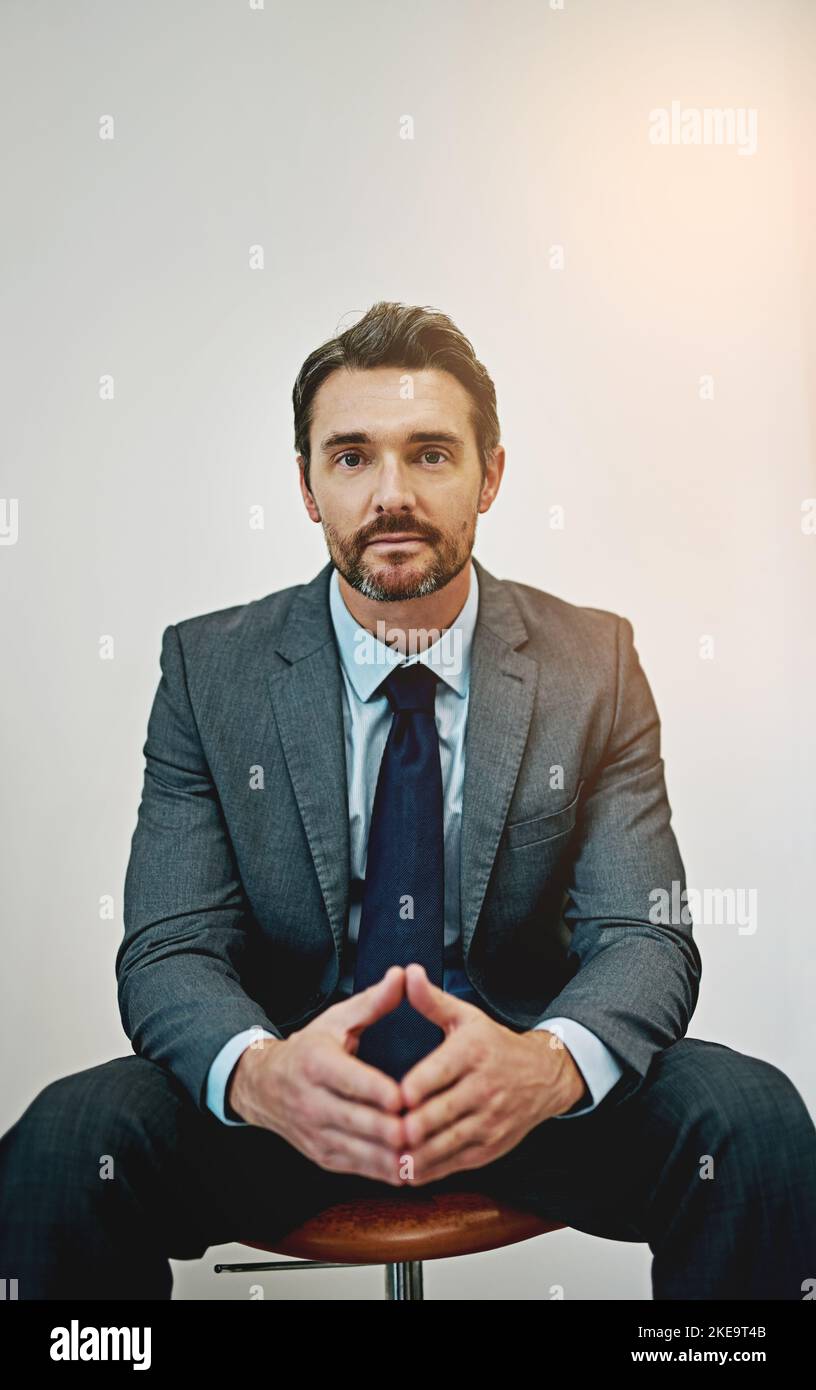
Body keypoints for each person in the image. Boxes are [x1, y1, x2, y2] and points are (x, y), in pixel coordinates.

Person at [1, 301, 814, 1301]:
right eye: (351, 457)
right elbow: (170, 947)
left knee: (751, 1115)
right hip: (287, 1099)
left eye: (431, 454)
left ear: (491, 475)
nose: (392, 494)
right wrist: (262, 1075)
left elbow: (643, 936)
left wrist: (548, 1065)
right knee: (66, 1140)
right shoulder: (209, 671)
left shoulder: (592, 662)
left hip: (522, 1092)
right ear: (305, 485)